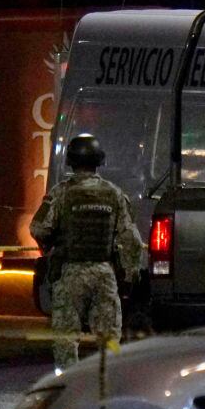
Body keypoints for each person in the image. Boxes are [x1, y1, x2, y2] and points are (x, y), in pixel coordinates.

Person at [30, 134, 144, 368]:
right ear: (99, 161)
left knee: (66, 339)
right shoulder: (114, 193)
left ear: (71, 161)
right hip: (104, 273)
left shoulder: (61, 193)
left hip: (69, 273)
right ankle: (110, 384)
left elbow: (38, 228)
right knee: (110, 339)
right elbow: (131, 238)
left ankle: (69, 386)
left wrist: (51, 243)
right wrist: (130, 275)